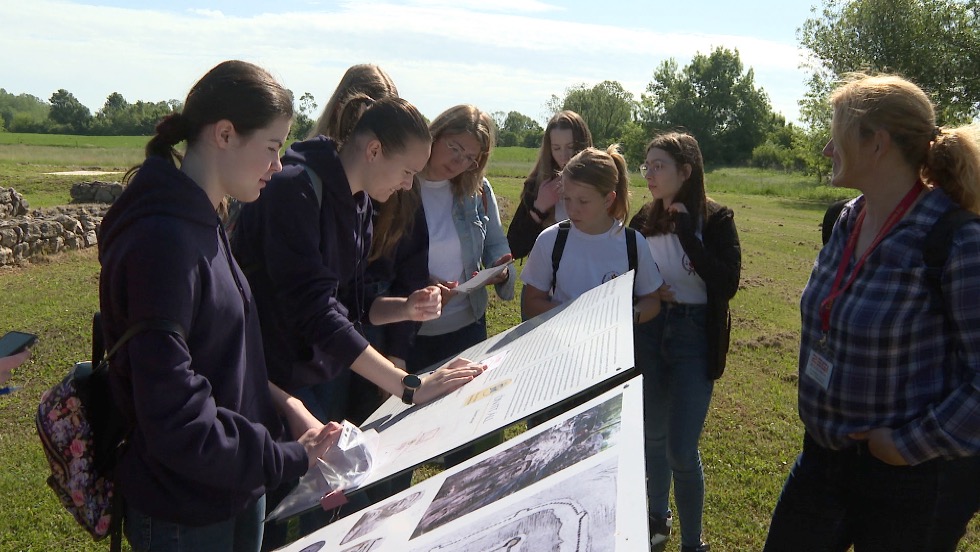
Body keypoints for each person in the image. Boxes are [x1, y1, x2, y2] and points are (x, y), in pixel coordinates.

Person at [98, 60, 342, 552]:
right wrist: (286, 457)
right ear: (225, 134)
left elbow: (225, 358)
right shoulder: (162, 243)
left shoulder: (204, 220)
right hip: (184, 511)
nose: (278, 165)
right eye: (272, 148)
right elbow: (177, 419)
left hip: (231, 488)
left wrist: (284, 408)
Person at [763, 74, 980, 551]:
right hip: (821, 460)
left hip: (905, 483)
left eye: (836, 135)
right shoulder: (844, 219)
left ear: (877, 144)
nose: (824, 149)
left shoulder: (955, 241)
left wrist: (908, 445)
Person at [232, 95, 485, 416]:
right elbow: (315, 310)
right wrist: (410, 386)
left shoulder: (360, 204)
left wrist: (405, 308)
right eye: (407, 171)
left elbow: (352, 303)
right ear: (374, 150)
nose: (408, 186)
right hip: (270, 379)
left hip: (317, 370)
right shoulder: (292, 192)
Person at [629, 131, 741, 552]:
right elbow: (626, 272)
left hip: (694, 336)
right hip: (652, 331)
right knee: (653, 437)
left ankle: (693, 544)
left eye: (658, 166)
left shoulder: (716, 219)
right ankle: (657, 523)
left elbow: (726, 283)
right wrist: (648, 294)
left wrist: (686, 233)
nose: (650, 174)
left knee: (680, 447)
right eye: (647, 165)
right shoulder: (643, 218)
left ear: (686, 171)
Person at [407, 104, 515, 374]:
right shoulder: (401, 183)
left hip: (468, 327)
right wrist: (422, 283)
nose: (458, 163)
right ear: (435, 134)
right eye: (454, 148)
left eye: (470, 158)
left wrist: (500, 270)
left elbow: (495, 244)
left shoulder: (476, 189)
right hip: (410, 333)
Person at [521, 145, 663, 323]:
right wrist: (577, 317)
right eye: (567, 198)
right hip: (562, 346)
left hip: (614, 348)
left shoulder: (632, 243)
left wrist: (626, 317)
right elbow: (531, 302)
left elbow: (651, 300)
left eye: (583, 201)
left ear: (608, 199)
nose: (572, 210)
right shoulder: (551, 240)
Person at [507, 110, 593, 260]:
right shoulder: (537, 185)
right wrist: (539, 208)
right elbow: (514, 248)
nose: (564, 155)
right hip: (546, 279)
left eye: (571, 147)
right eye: (557, 148)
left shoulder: (601, 183)